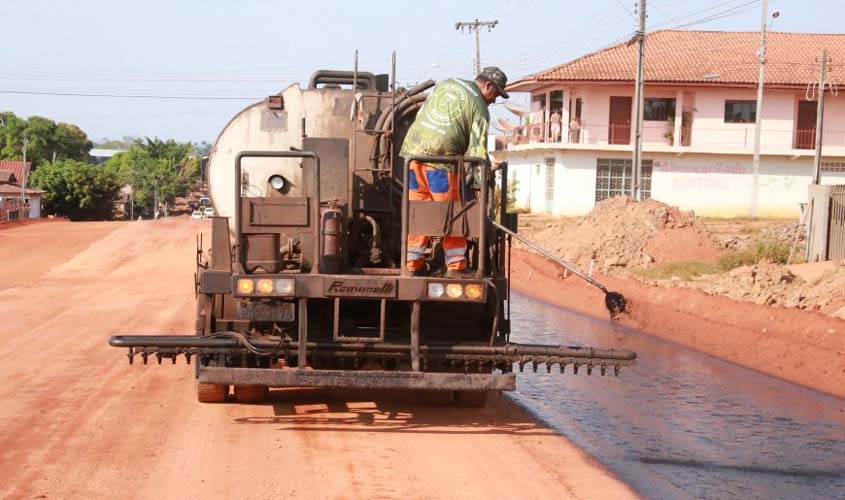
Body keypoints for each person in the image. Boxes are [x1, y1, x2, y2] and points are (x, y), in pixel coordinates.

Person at [400, 66, 509, 275]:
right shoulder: (479, 106)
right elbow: (477, 151)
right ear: (488, 85)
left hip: (412, 158)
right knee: (452, 213)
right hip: (442, 164)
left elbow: (421, 114)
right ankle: (456, 266)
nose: (494, 101)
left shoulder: (447, 84)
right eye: (496, 94)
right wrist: (480, 179)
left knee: (418, 211)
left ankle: (412, 265)